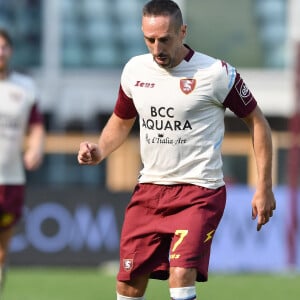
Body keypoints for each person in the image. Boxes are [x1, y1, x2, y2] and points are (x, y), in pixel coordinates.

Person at [78, 1, 276, 299]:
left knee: (181, 274)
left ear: (182, 32)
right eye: (149, 39)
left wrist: (264, 186)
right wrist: (99, 150)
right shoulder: (134, 70)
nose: (157, 48)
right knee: (128, 285)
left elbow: (257, 122)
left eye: (165, 39)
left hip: (199, 192)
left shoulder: (216, 73)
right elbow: (121, 121)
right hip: (149, 191)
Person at [0, 29, 45, 293]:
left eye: (4, 46)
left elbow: (36, 125)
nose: (0, 51)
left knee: (2, 252)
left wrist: (35, 149)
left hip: (12, 179)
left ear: (11, 50)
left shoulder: (24, 87)